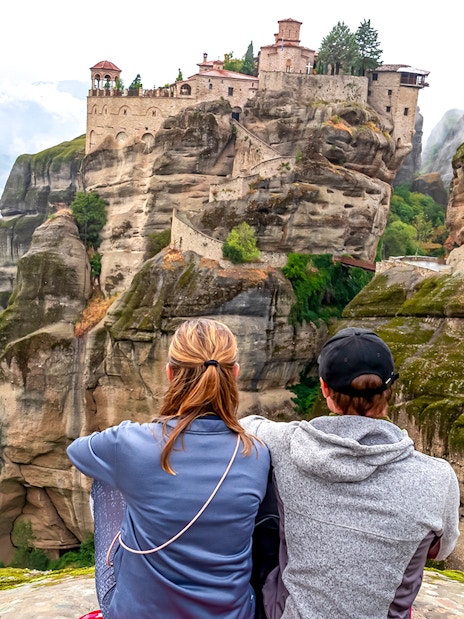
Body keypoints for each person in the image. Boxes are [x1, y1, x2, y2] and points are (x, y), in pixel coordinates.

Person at [241, 327, 460, 619]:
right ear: (389, 392)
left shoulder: (287, 445)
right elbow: (441, 551)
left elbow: (245, 424)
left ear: (325, 389)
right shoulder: (437, 477)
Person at [68, 318, 270, 619]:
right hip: (234, 613)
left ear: (171, 374)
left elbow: (77, 451)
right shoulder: (256, 453)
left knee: (108, 478)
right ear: (235, 374)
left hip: (138, 613)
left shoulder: (130, 444)